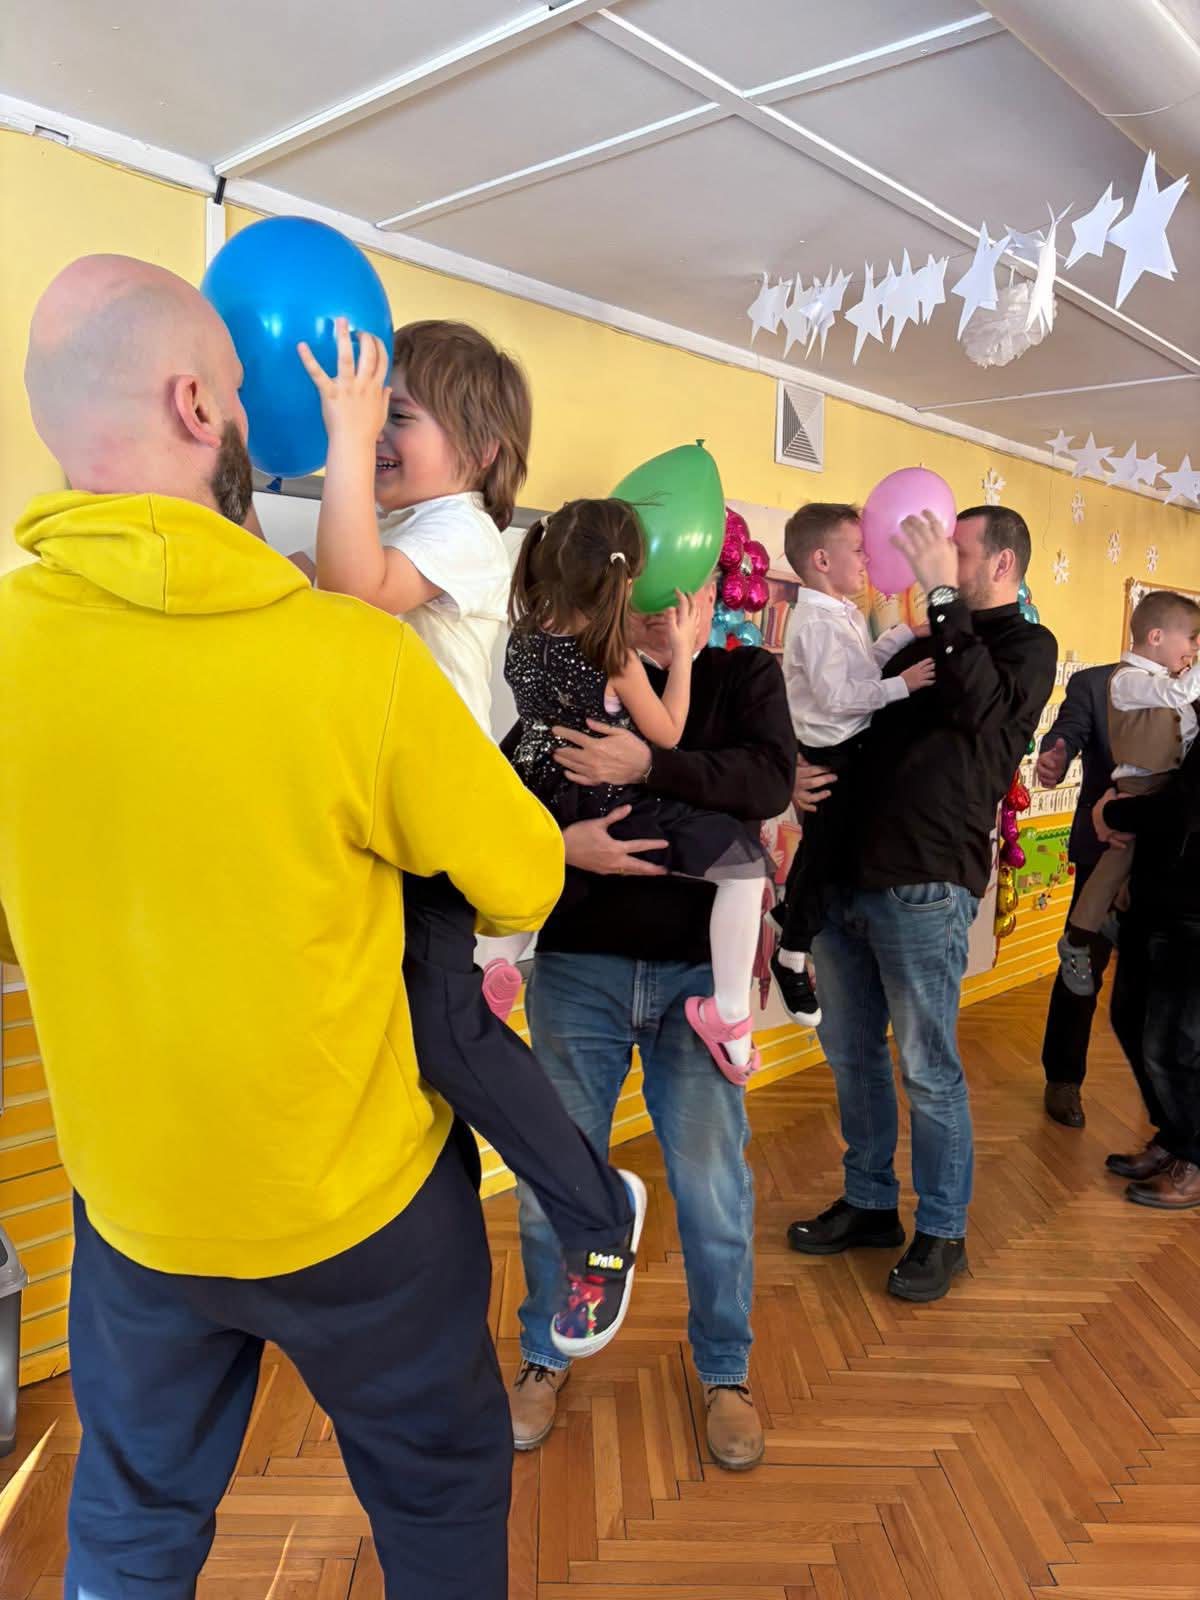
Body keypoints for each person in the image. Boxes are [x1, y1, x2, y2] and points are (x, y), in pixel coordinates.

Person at [0, 256, 567, 1597]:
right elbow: (526, 876)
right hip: (358, 1214)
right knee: (438, 1501)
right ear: (200, 408)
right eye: (248, 392)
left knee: (131, 1529)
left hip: (137, 1215)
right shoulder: (347, 659)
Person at [300, 320, 644, 1359]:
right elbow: (315, 591)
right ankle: (433, 1246)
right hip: (377, 837)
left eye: (397, 415)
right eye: (375, 414)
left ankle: (599, 1211)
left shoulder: (460, 529)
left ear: (481, 453)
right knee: (410, 1055)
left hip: (433, 835)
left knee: (449, 1035)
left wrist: (341, 437)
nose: (376, 434)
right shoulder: (403, 532)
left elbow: (349, 589)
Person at [502, 577, 796, 1468]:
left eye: (682, 591)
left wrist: (649, 766)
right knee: (552, 1177)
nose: (661, 612)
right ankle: (546, 1353)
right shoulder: (575, 670)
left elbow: (766, 783)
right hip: (578, 966)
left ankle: (725, 1372)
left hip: (697, 980)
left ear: (709, 590)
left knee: (710, 1184)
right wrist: (561, 844)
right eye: (639, 596)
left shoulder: (744, 676)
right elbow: (510, 788)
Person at [788, 505, 1057, 1304]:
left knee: (927, 1068)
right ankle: (870, 1203)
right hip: (844, 875)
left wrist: (941, 598)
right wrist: (791, 774)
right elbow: (844, 720)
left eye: (956, 551)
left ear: (1001, 564)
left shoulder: (1026, 647)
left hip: (925, 882)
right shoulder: (915, 641)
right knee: (852, 1055)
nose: (937, 558)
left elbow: (978, 708)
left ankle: (943, 1230)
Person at [504, 500, 772, 1088]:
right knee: (744, 866)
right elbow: (669, 732)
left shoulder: (522, 637)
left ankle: (496, 963)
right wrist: (681, 659)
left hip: (540, 784)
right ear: (625, 579)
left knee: (535, 867)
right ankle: (729, 1012)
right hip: (603, 799)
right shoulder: (612, 655)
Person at [770, 502, 935, 1027]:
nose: (868, 560)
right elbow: (839, 696)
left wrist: (904, 635)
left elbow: (862, 668)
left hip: (847, 748)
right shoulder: (817, 622)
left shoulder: (840, 612)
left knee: (828, 849)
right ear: (822, 560)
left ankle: (789, 912)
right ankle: (790, 954)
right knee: (825, 855)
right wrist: (902, 686)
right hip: (831, 753)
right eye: (858, 550)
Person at [1058, 591, 1200, 996]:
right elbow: (1176, 696)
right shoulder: (1128, 681)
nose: (1193, 649)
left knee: (1139, 866)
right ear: (1156, 637)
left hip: (1167, 790)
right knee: (1114, 865)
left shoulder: (1166, 683)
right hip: (1140, 787)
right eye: (1191, 639)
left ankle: (1116, 917)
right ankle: (1077, 937)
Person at [1095, 732, 1200, 1206]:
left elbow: (1182, 809)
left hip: (1192, 913)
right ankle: (1173, 1136)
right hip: (1153, 900)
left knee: (1174, 1045)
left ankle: (1193, 1158)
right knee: (1130, 1019)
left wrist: (1112, 812)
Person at [1036, 661, 1119, 1127]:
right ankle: (1063, 1078)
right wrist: (1057, 754)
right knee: (1081, 967)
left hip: (1174, 860)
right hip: (1102, 854)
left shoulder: (1190, 692)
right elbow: (1067, 732)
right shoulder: (1094, 683)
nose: (1192, 649)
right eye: (1189, 638)